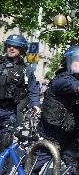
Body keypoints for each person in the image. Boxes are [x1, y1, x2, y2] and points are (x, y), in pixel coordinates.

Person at [34, 45, 79, 174]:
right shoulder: (62, 80)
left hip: (72, 135)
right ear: (67, 62)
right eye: (78, 60)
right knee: (33, 166)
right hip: (51, 135)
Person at [0, 34, 40, 173]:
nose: (11, 48)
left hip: (9, 111)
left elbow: (33, 89)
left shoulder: (26, 70)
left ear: (22, 49)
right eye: (9, 45)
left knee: (5, 142)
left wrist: (36, 104)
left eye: (15, 46)